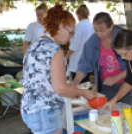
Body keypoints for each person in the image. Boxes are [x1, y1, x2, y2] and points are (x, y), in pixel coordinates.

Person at [21, 3, 94, 134]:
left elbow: (46, 81)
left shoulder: (34, 45)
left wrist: (70, 87)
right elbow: (60, 88)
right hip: (46, 112)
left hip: (30, 110)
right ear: (60, 27)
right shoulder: (54, 49)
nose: (72, 37)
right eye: (71, 32)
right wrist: (83, 93)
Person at [71, 12, 131, 104]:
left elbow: (130, 72)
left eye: (102, 31)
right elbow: (85, 63)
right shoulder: (93, 41)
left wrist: (117, 77)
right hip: (106, 87)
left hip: (125, 85)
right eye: (96, 31)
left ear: (111, 27)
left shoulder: (121, 38)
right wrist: (76, 80)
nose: (99, 34)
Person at [103, 29, 132, 110]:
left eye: (124, 54)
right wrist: (113, 101)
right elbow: (129, 82)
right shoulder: (129, 59)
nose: (122, 58)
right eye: (119, 55)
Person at [65, 4, 94, 83]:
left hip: (77, 61)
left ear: (79, 15)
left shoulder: (79, 26)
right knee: (86, 84)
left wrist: (66, 56)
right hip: (88, 59)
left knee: (75, 86)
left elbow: (75, 45)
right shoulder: (91, 25)